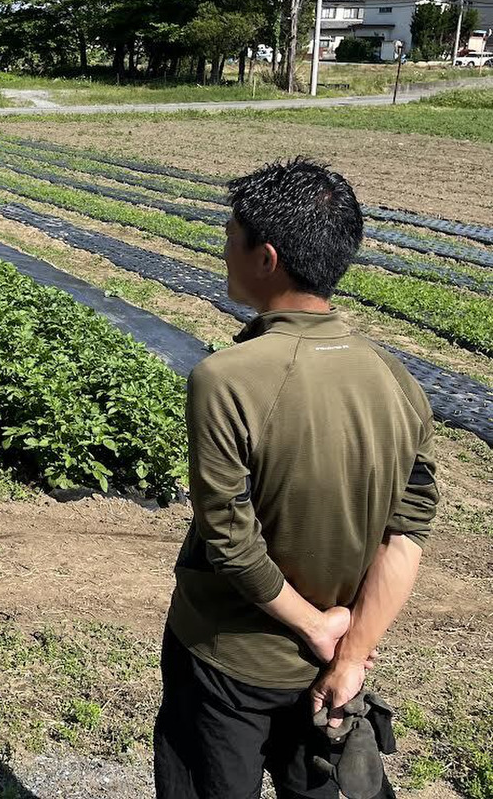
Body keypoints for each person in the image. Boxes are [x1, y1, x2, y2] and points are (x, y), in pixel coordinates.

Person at [154, 158, 439, 799]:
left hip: (227, 658)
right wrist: (349, 655)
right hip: (327, 671)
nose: (224, 248)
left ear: (267, 258)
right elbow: (405, 535)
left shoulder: (227, 379)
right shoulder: (398, 380)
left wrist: (314, 625)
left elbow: (230, 541)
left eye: (232, 235)